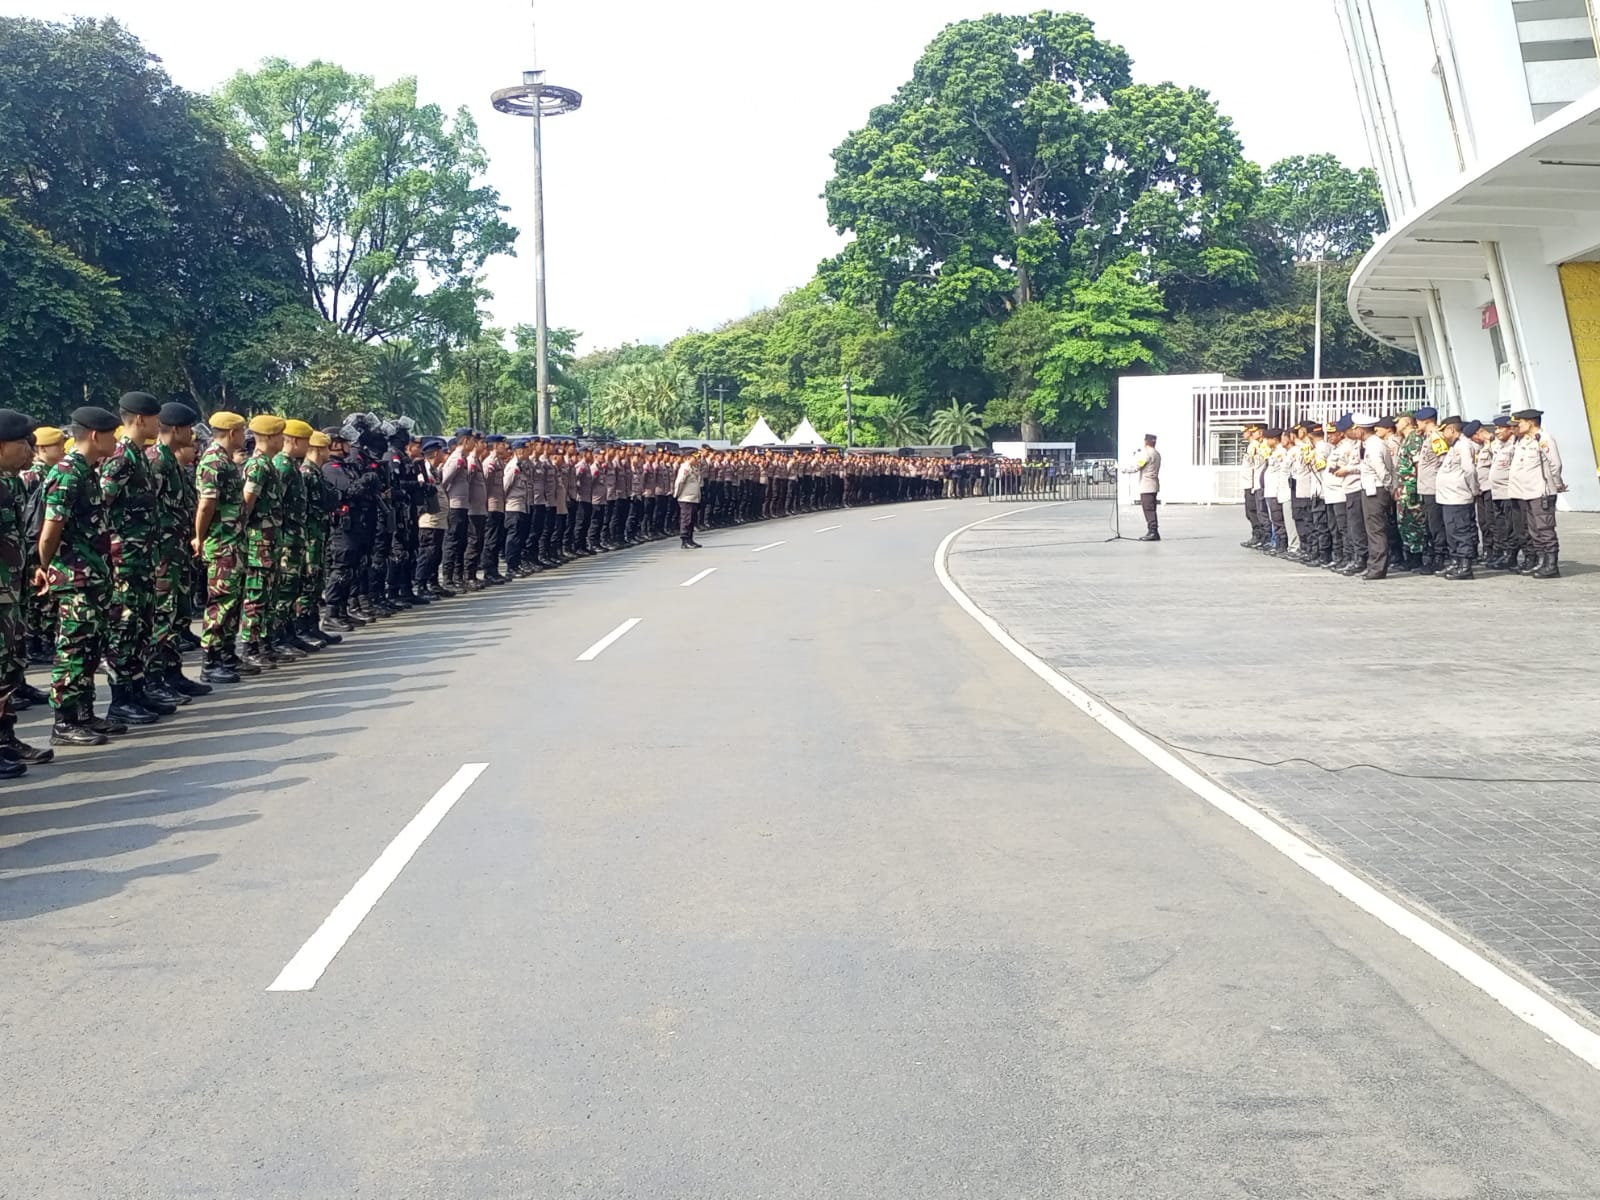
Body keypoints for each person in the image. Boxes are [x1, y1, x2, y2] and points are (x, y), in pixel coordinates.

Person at [38, 405, 123, 746]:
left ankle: (85, 713)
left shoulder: (87, 471)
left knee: (90, 647)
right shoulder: (68, 473)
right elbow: (50, 529)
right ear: (93, 435)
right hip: (74, 577)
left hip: (92, 575)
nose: (115, 442)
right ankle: (64, 721)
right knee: (72, 647)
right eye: (110, 435)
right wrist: (45, 567)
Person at [101, 391, 170, 724]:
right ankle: (120, 699)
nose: (160, 424)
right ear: (141, 419)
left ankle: (137, 690)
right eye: (156, 418)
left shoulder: (139, 455)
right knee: (125, 628)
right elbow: (102, 505)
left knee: (142, 625)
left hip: (142, 557)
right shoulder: (120, 456)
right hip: (124, 558)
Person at [146, 402, 210, 699]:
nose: (192, 436)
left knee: (175, 617)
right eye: (188, 429)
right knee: (161, 617)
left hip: (175, 553)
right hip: (160, 556)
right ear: (175, 429)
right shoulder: (156, 461)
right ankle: (154, 680)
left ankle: (172, 674)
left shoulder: (171, 461)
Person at [0, 409, 51, 773]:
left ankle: (5, 738)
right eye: (22, 443)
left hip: (11, 592)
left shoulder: (11, 484)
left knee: (9, 667)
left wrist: (31, 567)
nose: (29, 450)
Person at [195, 411, 249, 684]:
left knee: (232, 602)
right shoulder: (213, 461)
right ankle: (211, 660)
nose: (243, 436)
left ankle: (227, 654)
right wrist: (199, 536)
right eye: (241, 431)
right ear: (231, 433)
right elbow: (206, 505)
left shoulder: (225, 461)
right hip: (221, 543)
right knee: (220, 602)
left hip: (233, 541)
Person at [239, 414, 285, 669]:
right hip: (258, 540)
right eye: (278, 435)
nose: (282, 440)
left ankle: (265, 643)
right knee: (256, 593)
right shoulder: (257, 466)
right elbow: (247, 503)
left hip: (270, 539)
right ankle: (250, 646)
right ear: (267, 437)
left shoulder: (268, 464)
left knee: (268, 593)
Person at [1507, 408, 1566, 578]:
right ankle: (1541, 562)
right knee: (1534, 530)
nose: (1519, 426)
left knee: (1545, 529)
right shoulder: (1525, 441)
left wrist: (1557, 484)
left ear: (1531, 422)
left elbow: (1555, 464)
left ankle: (1551, 565)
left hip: (1541, 491)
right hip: (1528, 493)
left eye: (1521, 422)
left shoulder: (1544, 439)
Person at [1435, 416, 1481, 580]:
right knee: (1451, 532)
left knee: (1461, 532)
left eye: (1444, 431)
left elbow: (1469, 471)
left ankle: (1465, 566)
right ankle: (1455, 562)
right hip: (1448, 497)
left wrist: (1473, 489)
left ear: (1451, 430)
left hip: (1459, 496)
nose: (1443, 435)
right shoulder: (1455, 446)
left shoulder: (1464, 445)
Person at [1354, 414, 1396, 580]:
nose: (1354, 431)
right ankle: (1374, 565)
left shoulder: (1374, 445)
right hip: (1372, 489)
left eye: (1355, 428)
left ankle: (1378, 568)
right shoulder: (1370, 444)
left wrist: (1389, 487)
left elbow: (1381, 470)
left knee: (1376, 531)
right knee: (1372, 530)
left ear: (1362, 429)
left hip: (1376, 490)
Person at [1121, 434, 1162, 541]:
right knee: (1152, 508)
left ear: (1145, 441)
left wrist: (1123, 469)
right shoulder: (1157, 453)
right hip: (1154, 484)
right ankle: (1153, 531)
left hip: (1147, 485)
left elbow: (1137, 467)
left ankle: (1153, 532)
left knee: (1148, 509)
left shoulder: (1147, 453)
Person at [674, 448, 705, 549]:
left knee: (692, 519)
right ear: (689, 457)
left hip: (693, 498)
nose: (697, 460)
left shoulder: (694, 468)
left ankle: (690, 539)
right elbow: (679, 482)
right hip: (686, 498)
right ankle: (684, 540)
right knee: (686, 519)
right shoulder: (685, 468)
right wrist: (677, 494)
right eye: (695, 458)